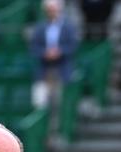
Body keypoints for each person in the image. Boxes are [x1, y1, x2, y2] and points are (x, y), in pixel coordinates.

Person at [30, 0, 79, 141]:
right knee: (40, 103)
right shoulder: (40, 28)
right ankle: (42, 134)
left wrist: (59, 51)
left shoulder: (68, 27)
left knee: (59, 103)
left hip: (61, 71)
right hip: (44, 71)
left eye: (54, 9)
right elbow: (34, 47)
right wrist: (45, 53)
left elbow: (73, 45)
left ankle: (57, 132)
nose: (52, 12)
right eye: (49, 9)